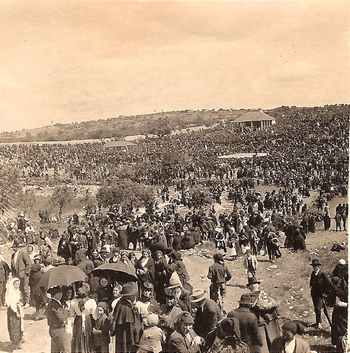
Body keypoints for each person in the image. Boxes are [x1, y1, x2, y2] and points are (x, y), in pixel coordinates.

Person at [246, 277, 281, 353]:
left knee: (263, 344)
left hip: (259, 322)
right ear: (257, 285)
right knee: (274, 340)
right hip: (271, 321)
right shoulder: (264, 294)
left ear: (249, 287)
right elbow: (275, 304)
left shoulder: (248, 297)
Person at [111, 282, 143, 353]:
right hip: (126, 334)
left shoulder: (120, 303)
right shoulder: (126, 308)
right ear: (129, 296)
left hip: (121, 334)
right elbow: (130, 325)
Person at [69, 285, 97, 353]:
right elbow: (95, 315)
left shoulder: (73, 302)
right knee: (87, 336)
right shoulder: (91, 301)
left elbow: (71, 314)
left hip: (78, 320)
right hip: (87, 320)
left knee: (78, 337)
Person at [309, 259, 332, 328]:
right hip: (314, 294)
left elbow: (329, 284)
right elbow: (311, 282)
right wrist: (311, 289)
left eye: (316, 266)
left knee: (320, 309)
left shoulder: (322, 274)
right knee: (316, 309)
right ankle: (318, 323)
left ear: (319, 266)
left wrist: (325, 293)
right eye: (314, 266)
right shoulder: (313, 274)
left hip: (321, 295)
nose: (315, 267)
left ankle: (331, 325)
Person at [46, 286, 70, 353]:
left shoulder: (52, 303)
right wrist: (66, 310)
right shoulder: (55, 304)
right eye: (59, 293)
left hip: (53, 329)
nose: (61, 295)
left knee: (55, 349)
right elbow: (62, 317)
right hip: (59, 329)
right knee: (65, 349)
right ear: (55, 294)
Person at [10, 240, 31, 306]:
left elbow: (28, 263)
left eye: (15, 247)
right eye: (13, 248)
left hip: (24, 274)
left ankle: (27, 302)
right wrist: (13, 274)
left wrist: (26, 272)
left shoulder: (22, 253)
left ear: (18, 247)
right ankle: (23, 301)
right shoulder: (13, 255)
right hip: (17, 274)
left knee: (25, 288)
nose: (14, 249)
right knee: (20, 288)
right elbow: (12, 265)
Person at [5, 278, 24, 350]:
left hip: (16, 308)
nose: (17, 285)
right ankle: (15, 342)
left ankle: (17, 341)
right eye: (16, 284)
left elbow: (15, 300)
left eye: (18, 284)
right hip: (13, 311)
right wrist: (16, 312)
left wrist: (19, 302)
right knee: (15, 326)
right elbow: (12, 303)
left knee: (18, 326)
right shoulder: (12, 292)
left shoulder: (16, 291)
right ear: (12, 284)